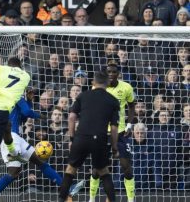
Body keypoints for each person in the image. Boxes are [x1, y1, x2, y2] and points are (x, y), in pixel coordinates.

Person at [58, 71, 120, 202]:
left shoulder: (83, 95)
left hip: (82, 137)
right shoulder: (113, 101)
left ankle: (61, 200)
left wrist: (72, 138)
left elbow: (71, 117)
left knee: (70, 169)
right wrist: (114, 147)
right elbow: (114, 128)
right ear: (108, 83)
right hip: (100, 139)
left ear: (93, 82)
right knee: (104, 172)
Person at [89, 62, 136, 202]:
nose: (111, 74)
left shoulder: (126, 87)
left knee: (126, 167)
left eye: (114, 72)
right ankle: (92, 199)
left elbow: (132, 105)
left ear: (118, 73)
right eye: (108, 72)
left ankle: (131, 199)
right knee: (97, 169)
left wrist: (129, 125)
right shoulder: (97, 87)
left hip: (120, 133)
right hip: (102, 132)